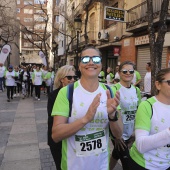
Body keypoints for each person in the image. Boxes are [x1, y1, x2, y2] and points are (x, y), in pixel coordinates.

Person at [51, 46, 123, 170]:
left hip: (101, 165)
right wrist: (86, 119)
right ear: (79, 66)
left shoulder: (110, 91)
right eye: (85, 59)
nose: (91, 62)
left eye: (95, 59)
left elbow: (119, 134)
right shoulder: (67, 92)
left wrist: (112, 116)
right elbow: (56, 135)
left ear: (101, 64)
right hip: (73, 165)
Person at [129, 68, 170, 170]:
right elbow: (141, 145)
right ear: (158, 85)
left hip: (166, 164)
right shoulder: (147, 106)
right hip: (143, 164)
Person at [110, 61, 141, 170]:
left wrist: (136, 131)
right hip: (118, 132)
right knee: (127, 162)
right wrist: (118, 136)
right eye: (125, 71)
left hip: (131, 131)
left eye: (131, 71)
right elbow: (115, 113)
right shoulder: (114, 89)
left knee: (116, 153)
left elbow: (139, 111)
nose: (128, 73)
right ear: (119, 73)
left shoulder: (136, 90)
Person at [47, 65, 76, 170]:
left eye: (74, 77)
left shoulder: (77, 93)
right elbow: (52, 117)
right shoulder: (54, 95)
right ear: (61, 79)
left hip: (73, 137)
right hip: (58, 139)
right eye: (69, 77)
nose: (72, 80)